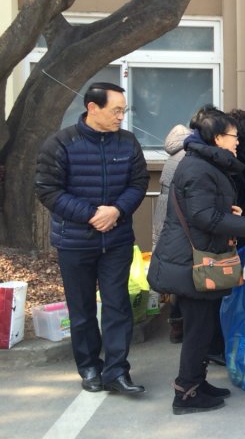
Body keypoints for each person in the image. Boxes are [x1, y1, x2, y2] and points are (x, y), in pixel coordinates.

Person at [148, 110, 245, 414]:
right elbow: (202, 217)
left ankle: (197, 382)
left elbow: (204, 208)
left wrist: (229, 210)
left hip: (199, 256)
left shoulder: (206, 164)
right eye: (233, 137)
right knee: (198, 330)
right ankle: (186, 394)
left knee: (203, 327)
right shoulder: (198, 167)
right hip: (191, 260)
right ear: (217, 138)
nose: (237, 142)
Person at [35, 82, 149, 395]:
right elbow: (48, 190)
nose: (121, 117)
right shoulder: (61, 143)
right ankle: (89, 368)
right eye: (116, 110)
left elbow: (138, 183)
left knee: (118, 306)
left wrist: (116, 210)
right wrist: (91, 215)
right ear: (92, 108)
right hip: (74, 241)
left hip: (117, 239)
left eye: (124, 111)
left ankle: (117, 371)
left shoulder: (127, 142)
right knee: (82, 309)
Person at [154, 123, 192, 344]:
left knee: (172, 274)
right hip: (178, 222)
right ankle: (180, 325)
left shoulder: (173, 155)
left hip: (164, 217)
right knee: (182, 277)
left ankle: (175, 324)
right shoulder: (187, 156)